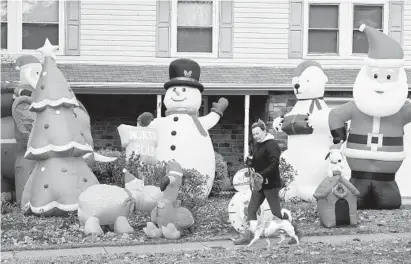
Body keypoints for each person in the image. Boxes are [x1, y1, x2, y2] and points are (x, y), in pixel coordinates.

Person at [233, 119, 300, 245]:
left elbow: (274, 164)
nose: (256, 136)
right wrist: (251, 162)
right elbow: (260, 160)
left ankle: (296, 231)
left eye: (258, 133)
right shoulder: (258, 144)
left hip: (271, 184)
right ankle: (248, 236)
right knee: (251, 209)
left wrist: (261, 174)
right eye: (254, 134)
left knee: (276, 212)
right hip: (259, 184)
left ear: (264, 131)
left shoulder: (271, 144)